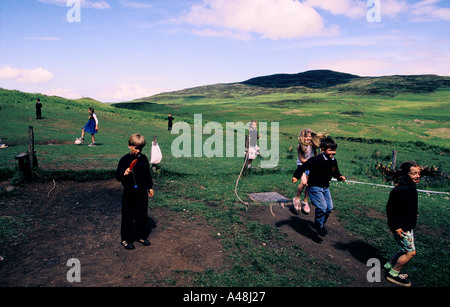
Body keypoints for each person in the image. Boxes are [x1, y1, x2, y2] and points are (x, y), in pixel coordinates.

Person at [292, 137, 345, 237]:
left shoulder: (333, 161)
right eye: (330, 150)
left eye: (334, 150)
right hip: (315, 187)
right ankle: (319, 226)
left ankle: (320, 223)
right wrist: (296, 176)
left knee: (329, 208)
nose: (333, 152)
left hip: (325, 188)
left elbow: (335, 171)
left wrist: (339, 177)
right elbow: (303, 166)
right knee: (322, 207)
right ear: (323, 150)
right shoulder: (316, 160)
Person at [383, 161, 421, 287]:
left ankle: (388, 266)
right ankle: (393, 274)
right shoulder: (400, 190)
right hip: (401, 227)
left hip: (407, 225)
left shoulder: (410, 186)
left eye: (418, 173)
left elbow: (406, 205)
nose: (417, 176)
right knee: (410, 253)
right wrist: (396, 227)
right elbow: (391, 209)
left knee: (404, 249)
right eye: (413, 173)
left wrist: (412, 213)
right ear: (405, 174)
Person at [116, 134, 154, 250]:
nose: (138, 151)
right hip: (129, 192)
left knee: (142, 214)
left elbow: (147, 174)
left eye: (140, 148)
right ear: (129, 146)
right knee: (128, 216)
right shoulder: (124, 160)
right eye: (136, 148)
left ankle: (141, 236)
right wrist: (124, 173)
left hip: (142, 192)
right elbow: (118, 176)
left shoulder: (143, 158)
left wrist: (150, 187)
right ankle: (126, 239)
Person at [293, 129, 323, 214]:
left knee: (309, 184)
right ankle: (297, 198)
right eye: (306, 136)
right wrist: (312, 161)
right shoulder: (300, 146)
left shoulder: (313, 145)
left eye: (310, 136)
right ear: (302, 137)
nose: (309, 138)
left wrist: (318, 160)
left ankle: (305, 202)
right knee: (303, 182)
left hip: (311, 166)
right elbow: (302, 159)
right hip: (302, 166)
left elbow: (316, 155)